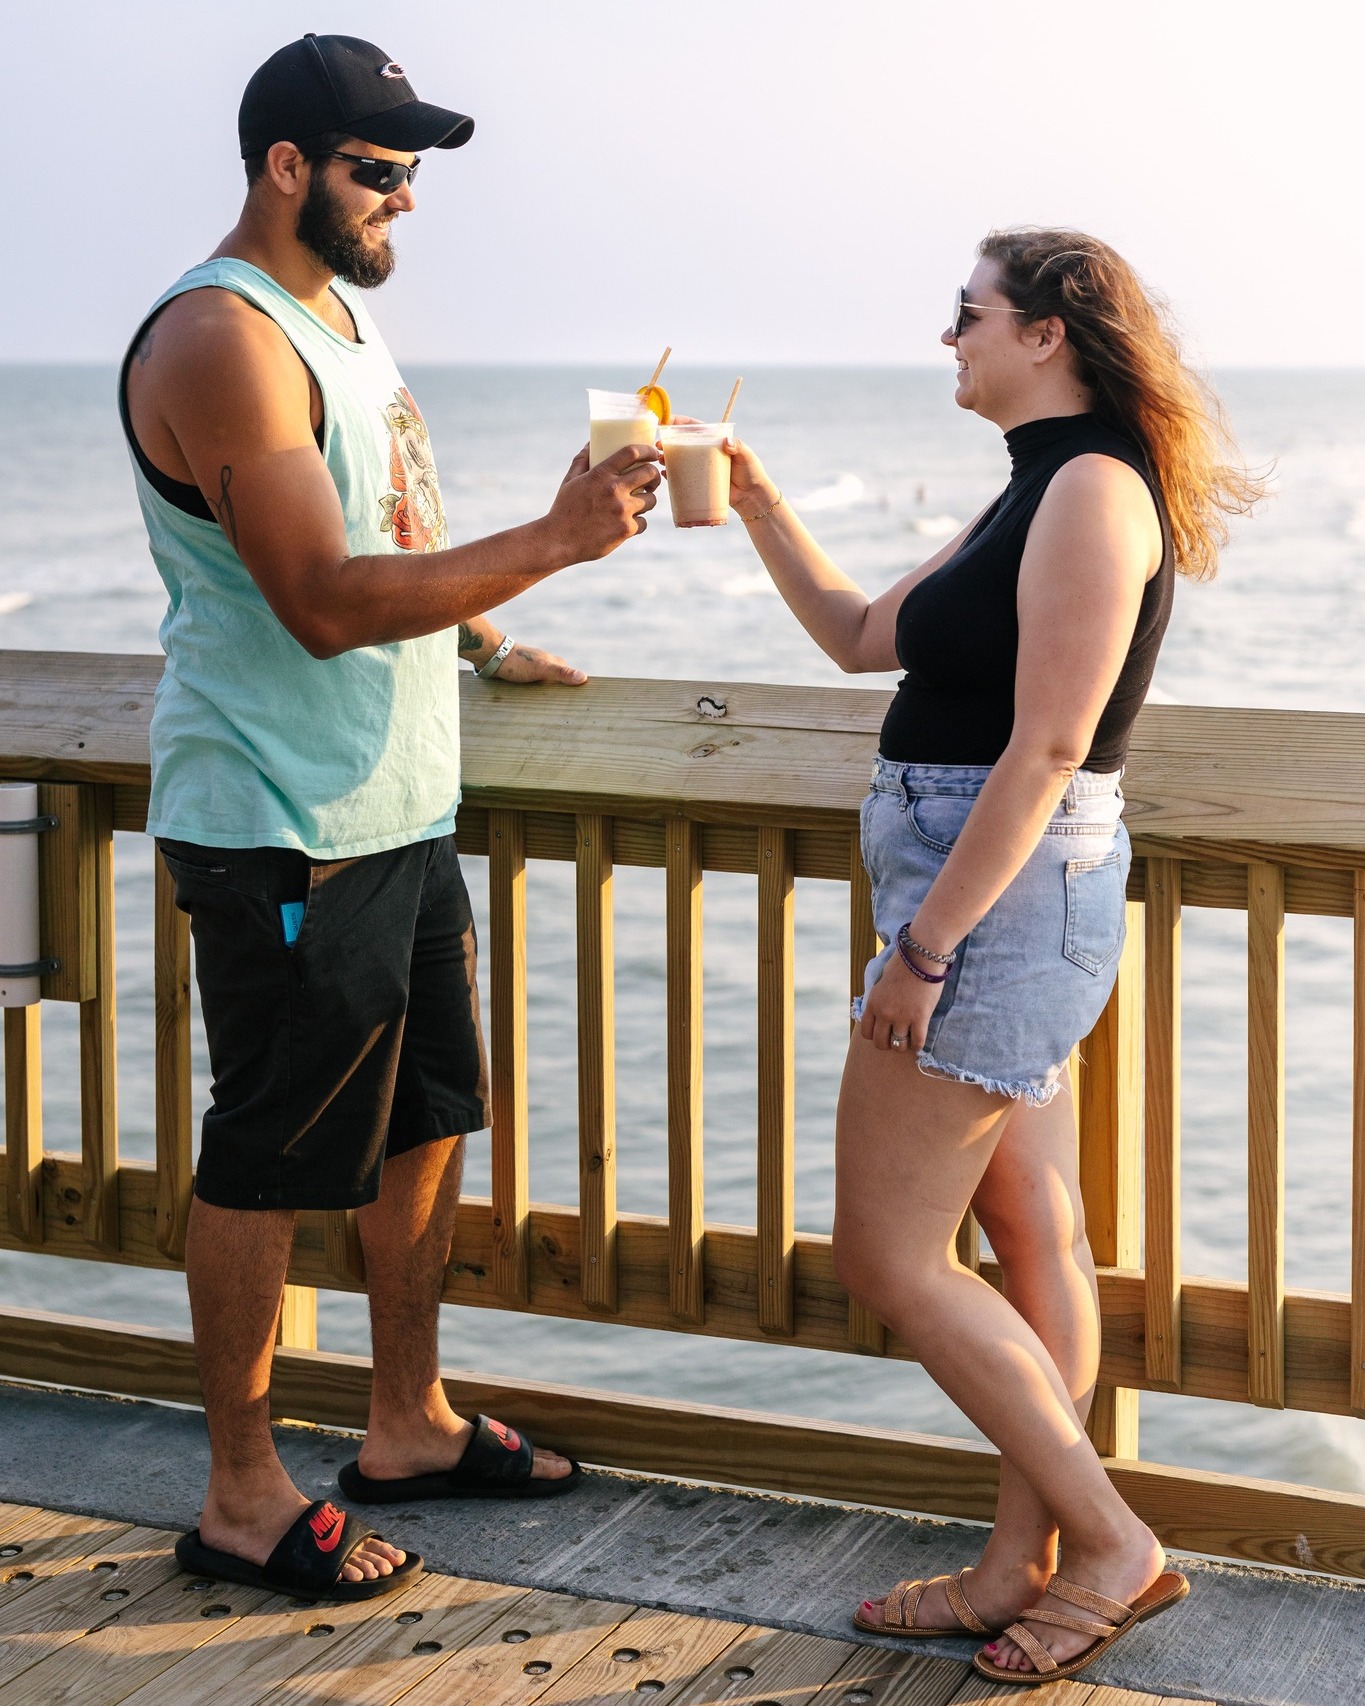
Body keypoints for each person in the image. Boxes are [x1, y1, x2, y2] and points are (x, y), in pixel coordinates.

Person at [119, 33, 662, 1601]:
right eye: (376, 171)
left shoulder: (336, 321)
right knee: (269, 1154)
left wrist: (490, 637)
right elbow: (316, 597)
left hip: (397, 804)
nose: (402, 203)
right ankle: (237, 1491)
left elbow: (384, 528)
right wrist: (554, 541)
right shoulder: (222, 337)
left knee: (425, 1123)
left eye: (413, 176)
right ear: (284, 165)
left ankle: (406, 1420)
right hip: (281, 817)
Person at [719, 228, 1260, 1683]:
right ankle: (1019, 1560)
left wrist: (925, 944)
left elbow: (1049, 745)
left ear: (1046, 333)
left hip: (995, 895)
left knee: (886, 1252)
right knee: (1030, 1235)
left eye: (966, 315)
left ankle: (1106, 1540)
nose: (944, 336)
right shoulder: (1027, 486)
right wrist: (756, 491)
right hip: (975, 874)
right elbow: (851, 635)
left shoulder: (1089, 490)